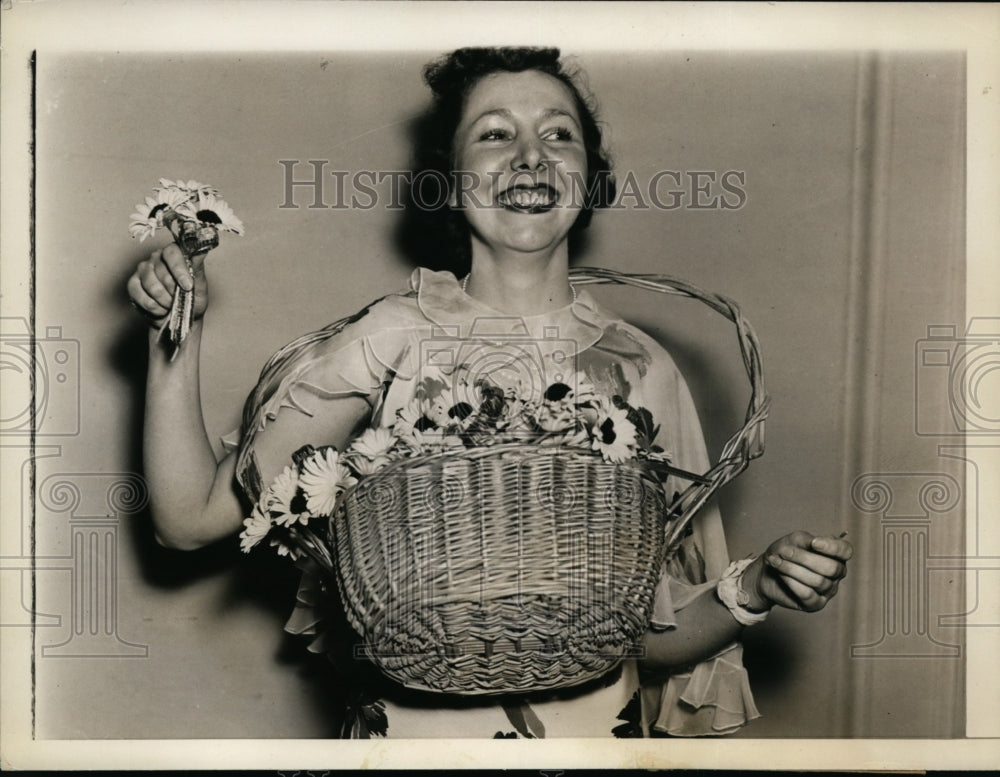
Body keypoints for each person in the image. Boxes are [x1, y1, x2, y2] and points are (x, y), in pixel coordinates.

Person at [126, 47, 853, 738]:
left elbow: (649, 636)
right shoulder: (389, 337)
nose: (532, 156)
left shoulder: (644, 369)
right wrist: (173, 332)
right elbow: (188, 519)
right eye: (495, 133)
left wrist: (756, 585)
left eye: (558, 134)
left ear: (590, 177)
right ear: (448, 180)